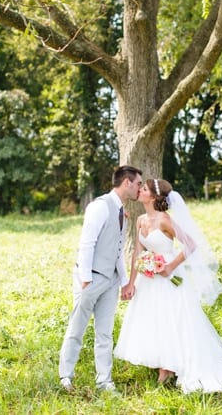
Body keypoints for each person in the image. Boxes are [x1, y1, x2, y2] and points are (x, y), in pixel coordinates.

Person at [114, 178, 222, 393]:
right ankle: (162, 361)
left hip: (169, 278)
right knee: (153, 319)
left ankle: (168, 367)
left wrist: (170, 266)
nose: (139, 191)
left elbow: (190, 244)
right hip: (149, 279)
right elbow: (137, 252)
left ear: (153, 196)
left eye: (143, 189)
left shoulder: (164, 220)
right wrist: (131, 282)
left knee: (171, 317)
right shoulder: (141, 219)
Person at [59, 165, 143, 392]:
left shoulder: (122, 212)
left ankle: (104, 380)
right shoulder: (99, 207)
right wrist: (85, 280)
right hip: (91, 279)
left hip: (111, 281)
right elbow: (87, 243)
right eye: (138, 184)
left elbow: (117, 251)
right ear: (127, 182)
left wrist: (124, 280)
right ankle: (65, 376)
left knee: (104, 333)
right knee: (76, 329)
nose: (140, 189)